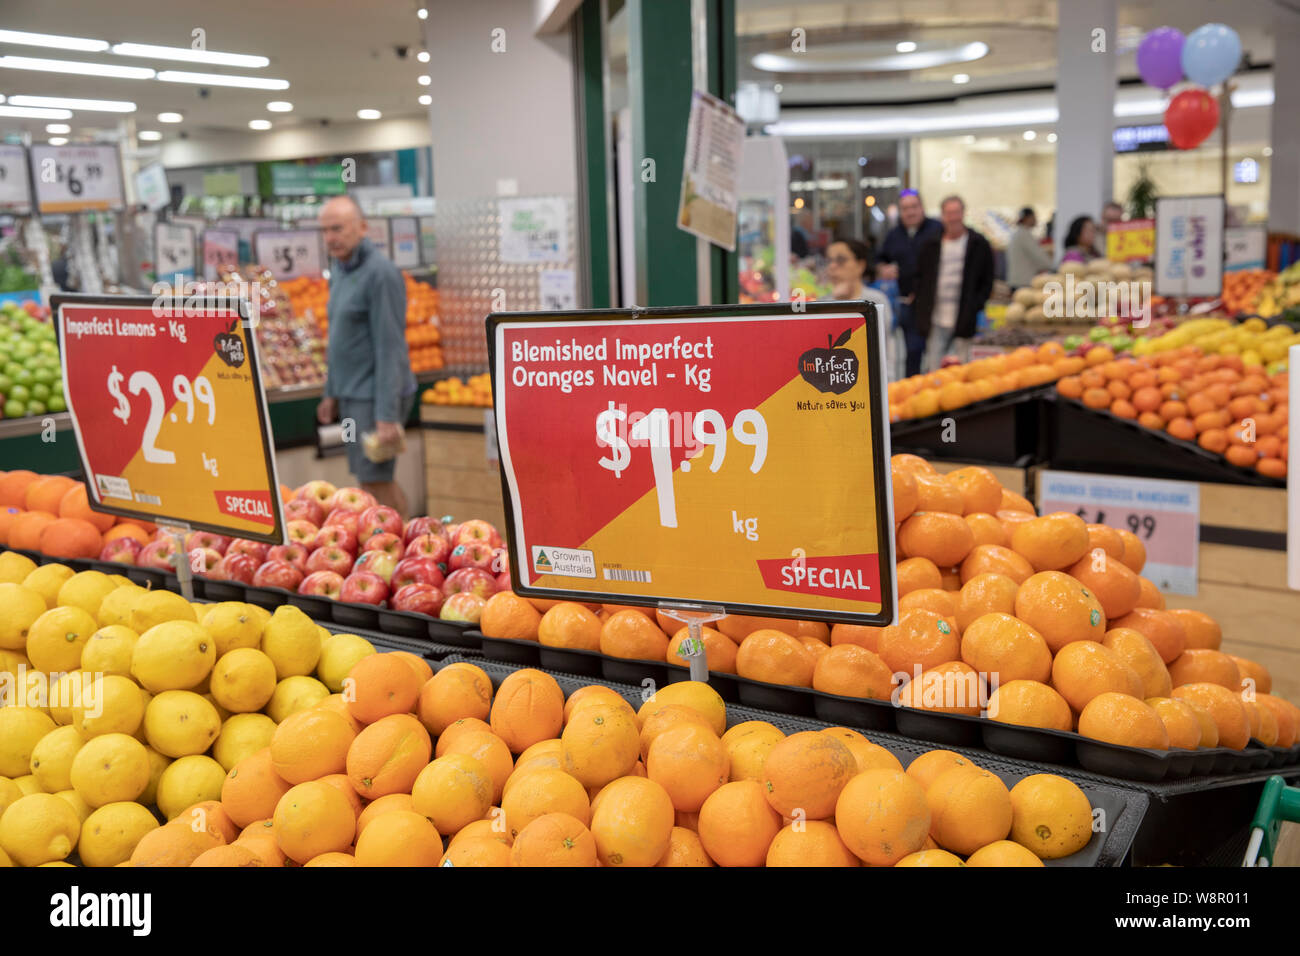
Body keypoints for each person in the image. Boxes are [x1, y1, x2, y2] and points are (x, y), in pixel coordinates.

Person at [315, 194, 418, 517]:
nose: (330, 237)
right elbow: (340, 336)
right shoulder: (340, 270)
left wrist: (386, 414)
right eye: (325, 230)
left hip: (376, 396)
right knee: (365, 479)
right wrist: (331, 392)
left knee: (377, 480)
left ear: (362, 228)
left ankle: (404, 540)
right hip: (351, 395)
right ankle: (388, 538)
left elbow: (390, 346)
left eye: (337, 229)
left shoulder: (381, 274)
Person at [913, 195, 995, 372]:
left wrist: (976, 304)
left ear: (963, 213)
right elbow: (920, 277)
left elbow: (987, 280)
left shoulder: (978, 243)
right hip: (935, 317)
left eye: (956, 212)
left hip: (965, 316)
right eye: (949, 213)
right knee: (934, 367)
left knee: (962, 368)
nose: (953, 218)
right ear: (942, 216)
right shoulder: (930, 244)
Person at [877, 189, 942, 376]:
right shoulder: (894, 234)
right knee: (912, 352)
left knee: (936, 354)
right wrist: (883, 269)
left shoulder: (938, 230)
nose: (910, 212)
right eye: (905, 208)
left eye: (914, 207)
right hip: (906, 304)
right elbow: (880, 259)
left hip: (935, 303)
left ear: (922, 207)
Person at [826, 238, 896, 374]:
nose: (832, 266)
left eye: (841, 260)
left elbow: (882, 349)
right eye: (829, 260)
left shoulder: (875, 301)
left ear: (860, 265)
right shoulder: (822, 303)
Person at [1006, 207, 1054, 290]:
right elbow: (1038, 256)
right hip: (1023, 282)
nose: (1036, 220)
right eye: (1034, 217)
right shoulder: (1024, 235)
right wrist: (1053, 266)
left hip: (1017, 280)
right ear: (1028, 218)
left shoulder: (1018, 233)